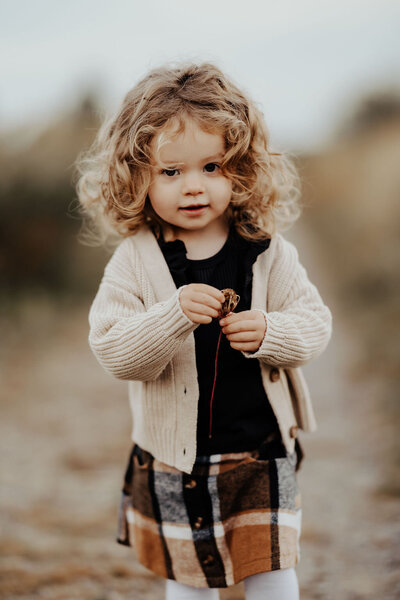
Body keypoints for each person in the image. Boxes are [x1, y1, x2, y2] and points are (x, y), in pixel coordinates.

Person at [76, 61, 332, 600]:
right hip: (177, 459)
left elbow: (314, 326)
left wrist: (270, 331)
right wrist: (170, 317)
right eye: (171, 172)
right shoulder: (133, 262)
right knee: (190, 584)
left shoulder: (266, 251)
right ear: (136, 175)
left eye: (212, 166)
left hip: (260, 453)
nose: (193, 187)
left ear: (241, 168)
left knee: (275, 575)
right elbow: (114, 350)